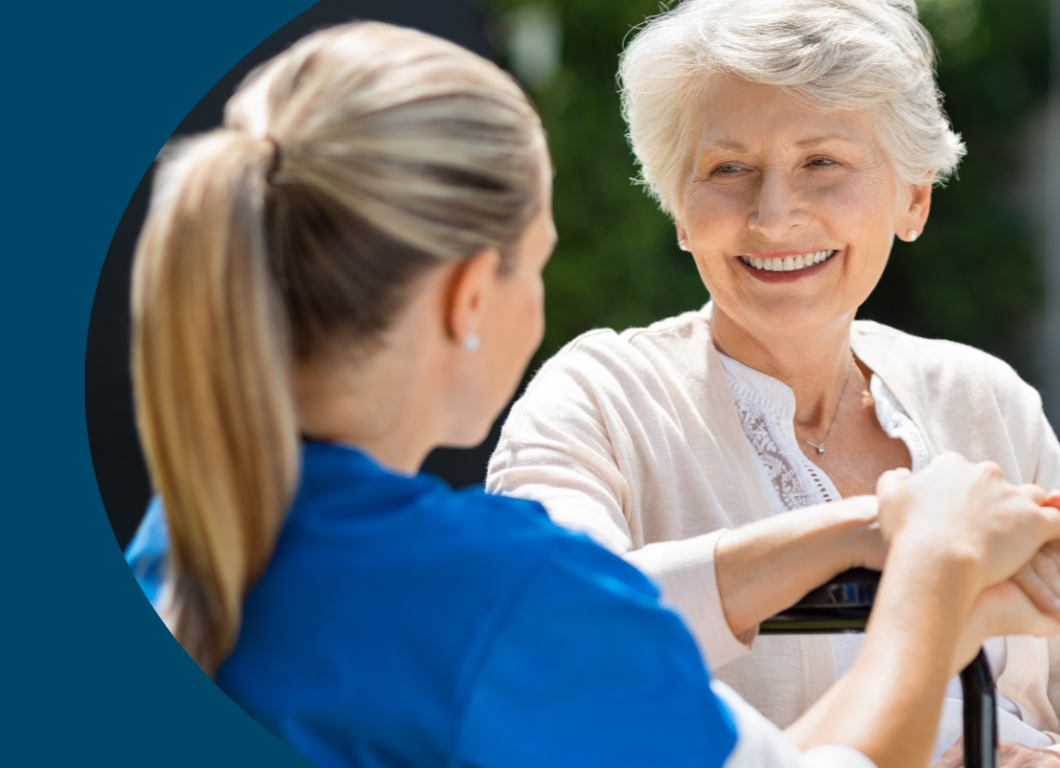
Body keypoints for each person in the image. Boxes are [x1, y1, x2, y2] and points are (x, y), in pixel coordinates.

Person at [124, 19, 1060, 768]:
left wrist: (885, 549)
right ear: (466, 299)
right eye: (539, 261)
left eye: (823, 161)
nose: (774, 213)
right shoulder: (508, 592)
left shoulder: (188, 536)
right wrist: (930, 581)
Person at [483, 0, 1060, 764]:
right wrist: (880, 534)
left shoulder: (985, 398)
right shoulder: (600, 397)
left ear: (912, 197)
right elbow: (547, 630)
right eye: (729, 169)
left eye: (822, 162)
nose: (773, 215)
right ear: (680, 209)